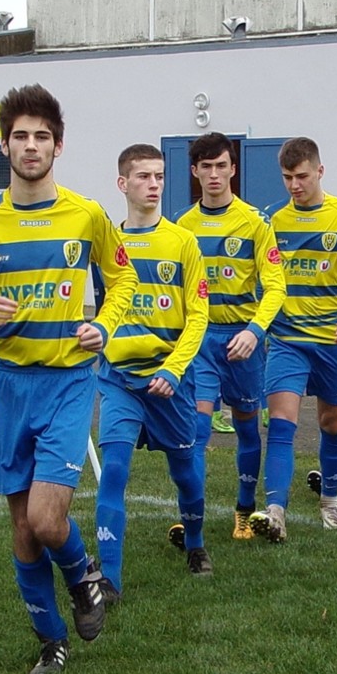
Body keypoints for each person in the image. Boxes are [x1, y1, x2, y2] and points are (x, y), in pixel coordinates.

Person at [0, 84, 138, 674]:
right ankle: (51, 640)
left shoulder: (86, 215)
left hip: (67, 381)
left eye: (42, 136)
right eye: (20, 136)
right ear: (4, 146)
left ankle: (84, 575)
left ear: (58, 146)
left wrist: (105, 325)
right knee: (22, 531)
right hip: (5, 384)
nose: (31, 146)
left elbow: (124, 278)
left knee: (44, 518)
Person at [93, 143, 211, 602]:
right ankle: (110, 580)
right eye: (144, 176)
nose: (154, 185)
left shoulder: (182, 242)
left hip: (170, 382)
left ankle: (196, 545)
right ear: (123, 184)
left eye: (159, 176)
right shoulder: (107, 244)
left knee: (185, 474)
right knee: (114, 470)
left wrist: (175, 370)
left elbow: (198, 316)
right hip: (119, 379)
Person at [249, 137, 337, 541]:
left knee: (331, 423)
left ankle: (329, 501)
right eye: (287, 177)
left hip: (333, 341)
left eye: (302, 176)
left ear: (320, 171)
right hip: (287, 339)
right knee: (281, 423)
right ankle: (275, 512)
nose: (294, 185)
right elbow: (263, 278)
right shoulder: (274, 220)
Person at [175, 132, 285, 541]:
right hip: (201, 340)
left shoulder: (255, 222)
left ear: (233, 169)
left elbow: (276, 287)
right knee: (197, 430)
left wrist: (255, 331)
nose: (214, 174)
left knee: (247, 429)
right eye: (206, 166)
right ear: (194, 171)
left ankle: (244, 509)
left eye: (221, 165)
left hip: (242, 342)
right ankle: (193, 518)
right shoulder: (183, 226)